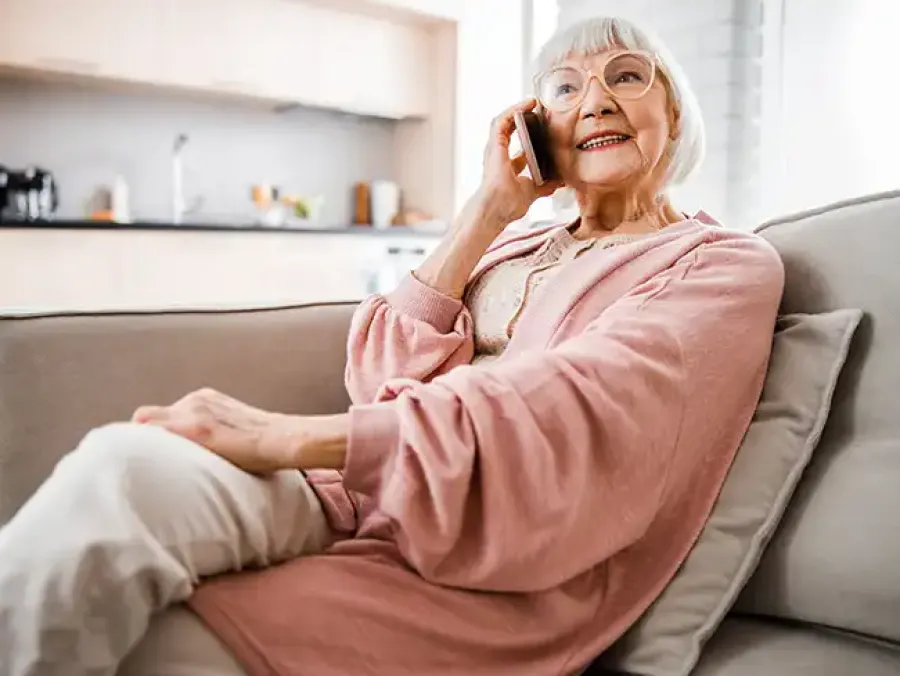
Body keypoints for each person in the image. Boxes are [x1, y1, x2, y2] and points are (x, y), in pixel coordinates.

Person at [0, 15, 784, 676]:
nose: (596, 101)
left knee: (158, 644)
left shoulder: (720, 267)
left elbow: (576, 409)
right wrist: (486, 211)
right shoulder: (513, 249)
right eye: (566, 88)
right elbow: (378, 380)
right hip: (363, 498)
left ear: (674, 114)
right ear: (538, 130)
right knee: (120, 463)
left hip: (498, 573)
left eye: (626, 76)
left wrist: (282, 436)